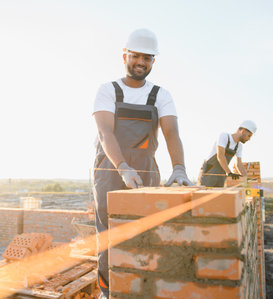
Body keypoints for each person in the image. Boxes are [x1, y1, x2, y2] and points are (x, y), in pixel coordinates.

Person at [92, 28, 191, 298]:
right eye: (135, 56)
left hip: (146, 169)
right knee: (109, 235)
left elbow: (171, 133)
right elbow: (105, 133)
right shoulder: (107, 90)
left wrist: (179, 168)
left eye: (147, 58)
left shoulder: (161, 95)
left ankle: (143, 288)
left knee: (148, 232)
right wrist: (123, 167)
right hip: (110, 170)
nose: (140, 62)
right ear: (125, 56)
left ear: (153, 62)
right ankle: (108, 291)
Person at [198, 120, 257, 187]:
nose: (249, 139)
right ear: (243, 131)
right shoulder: (224, 136)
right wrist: (229, 173)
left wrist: (246, 178)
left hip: (222, 173)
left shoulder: (239, 146)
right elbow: (220, 156)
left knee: (219, 196)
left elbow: (239, 164)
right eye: (249, 136)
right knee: (204, 195)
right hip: (209, 172)